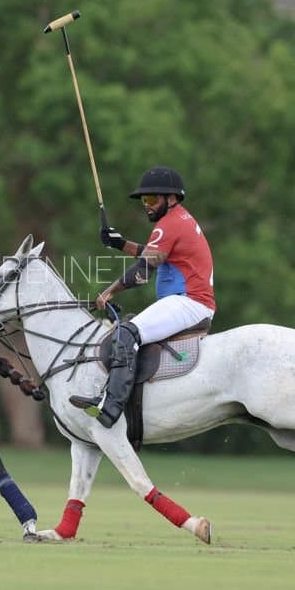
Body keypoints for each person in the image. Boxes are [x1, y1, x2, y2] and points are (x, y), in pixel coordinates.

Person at [68, 166, 216, 427]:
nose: (146, 206)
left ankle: (110, 405)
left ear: (171, 198)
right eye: (144, 201)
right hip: (191, 301)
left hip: (189, 301)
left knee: (127, 332)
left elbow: (145, 270)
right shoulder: (180, 219)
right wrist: (120, 243)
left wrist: (109, 291)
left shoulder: (169, 224)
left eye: (152, 199)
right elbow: (154, 253)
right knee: (129, 327)